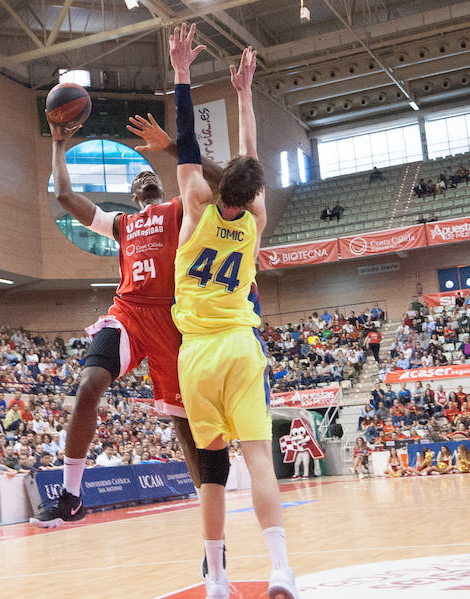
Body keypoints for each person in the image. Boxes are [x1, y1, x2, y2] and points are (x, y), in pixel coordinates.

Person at [30, 70, 214, 529]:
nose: (145, 178)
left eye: (152, 175)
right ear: (132, 197)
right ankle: (71, 497)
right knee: (90, 381)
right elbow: (68, 197)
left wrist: (176, 148)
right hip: (129, 314)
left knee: (185, 430)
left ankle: (211, 525)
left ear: (162, 187)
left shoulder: (179, 210)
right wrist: (57, 142)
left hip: (174, 321)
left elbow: (218, 179)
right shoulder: (121, 225)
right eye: (139, 180)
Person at [167, 30, 295, 598]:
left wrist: (182, 74)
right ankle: (281, 571)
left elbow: (189, 142)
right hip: (243, 348)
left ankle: (217, 579)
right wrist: (245, 96)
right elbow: (252, 159)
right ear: (252, 193)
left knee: (213, 475)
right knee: (260, 462)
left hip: (196, 357)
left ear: (219, 187)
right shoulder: (256, 221)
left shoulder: (195, 206)